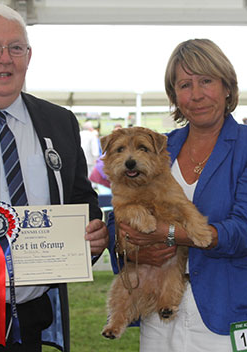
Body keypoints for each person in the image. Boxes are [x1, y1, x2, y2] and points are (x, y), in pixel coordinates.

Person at [0, 4, 108, 352]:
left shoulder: (59, 122)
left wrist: (94, 233)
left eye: (16, 48)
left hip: (31, 320)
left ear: (28, 56)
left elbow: (82, 199)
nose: (5, 58)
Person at [107, 38, 247, 351]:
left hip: (225, 313)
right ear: (175, 96)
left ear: (227, 87)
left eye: (206, 81)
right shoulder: (156, 146)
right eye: (184, 85)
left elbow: (243, 229)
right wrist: (129, 249)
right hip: (159, 311)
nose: (196, 95)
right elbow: (119, 212)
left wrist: (169, 234)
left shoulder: (244, 147)